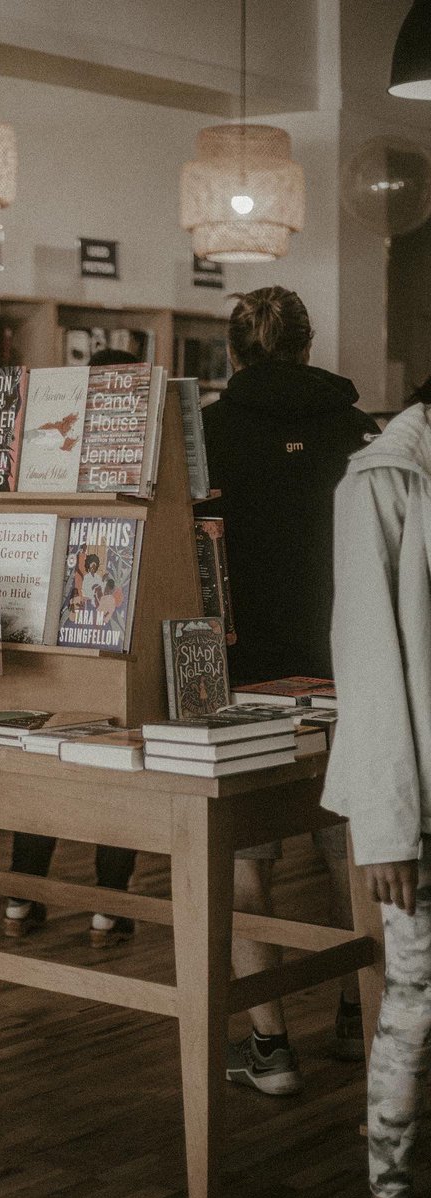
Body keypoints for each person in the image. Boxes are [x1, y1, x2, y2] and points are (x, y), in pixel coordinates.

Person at [201, 285, 380, 1095]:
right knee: (350, 843)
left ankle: (269, 1048)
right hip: (351, 660)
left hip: (243, 671)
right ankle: (359, 1013)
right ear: (307, 347)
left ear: (233, 352)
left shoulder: (205, 431)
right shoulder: (357, 428)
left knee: (247, 857)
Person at [321, 397, 431, 1198]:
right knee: (415, 992)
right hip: (421, 790)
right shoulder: (381, 479)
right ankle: (387, 1182)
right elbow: (365, 654)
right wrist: (385, 824)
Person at [3, 347, 141, 947]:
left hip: (44, 636)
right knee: (118, 766)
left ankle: (21, 896)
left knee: (44, 768)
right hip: (111, 630)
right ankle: (107, 906)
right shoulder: (134, 453)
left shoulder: (42, 454)